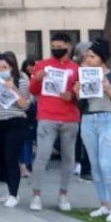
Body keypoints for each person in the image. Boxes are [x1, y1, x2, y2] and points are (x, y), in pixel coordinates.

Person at [75, 39, 111, 222]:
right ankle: (104, 204)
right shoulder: (84, 75)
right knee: (95, 165)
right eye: (86, 56)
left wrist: (109, 90)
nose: (88, 59)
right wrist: (78, 91)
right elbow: (81, 104)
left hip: (109, 118)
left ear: (101, 58)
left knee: (107, 165)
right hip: (89, 119)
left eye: (92, 56)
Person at [29, 32, 81, 212]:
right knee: (42, 156)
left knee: (68, 158)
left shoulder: (75, 68)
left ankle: (63, 195)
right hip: (47, 116)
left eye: (60, 47)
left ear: (68, 47)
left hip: (69, 117)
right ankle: (36, 195)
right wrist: (37, 79)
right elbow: (33, 90)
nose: (56, 50)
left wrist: (73, 95)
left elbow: (81, 94)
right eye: (53, 47)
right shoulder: (42, 65)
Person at [0, 52, 31, 208]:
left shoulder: (21, 81)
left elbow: (25, 105)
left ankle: (14, 194)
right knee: (2, 158)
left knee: (11, 157)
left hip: (15, 122)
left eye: (4, 67)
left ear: (11, 67)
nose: (1, 69)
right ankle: (9, 190)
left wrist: (14, 89)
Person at [19, 58, 38, 178]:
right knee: (25, 139)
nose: (30, 68)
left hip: (36, 112)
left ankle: (29, 163)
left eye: (33, 65)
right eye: (28, 65)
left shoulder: (38, 78)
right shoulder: (22, 79)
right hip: (26, 110)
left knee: (31, 140)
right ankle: (25, 163)